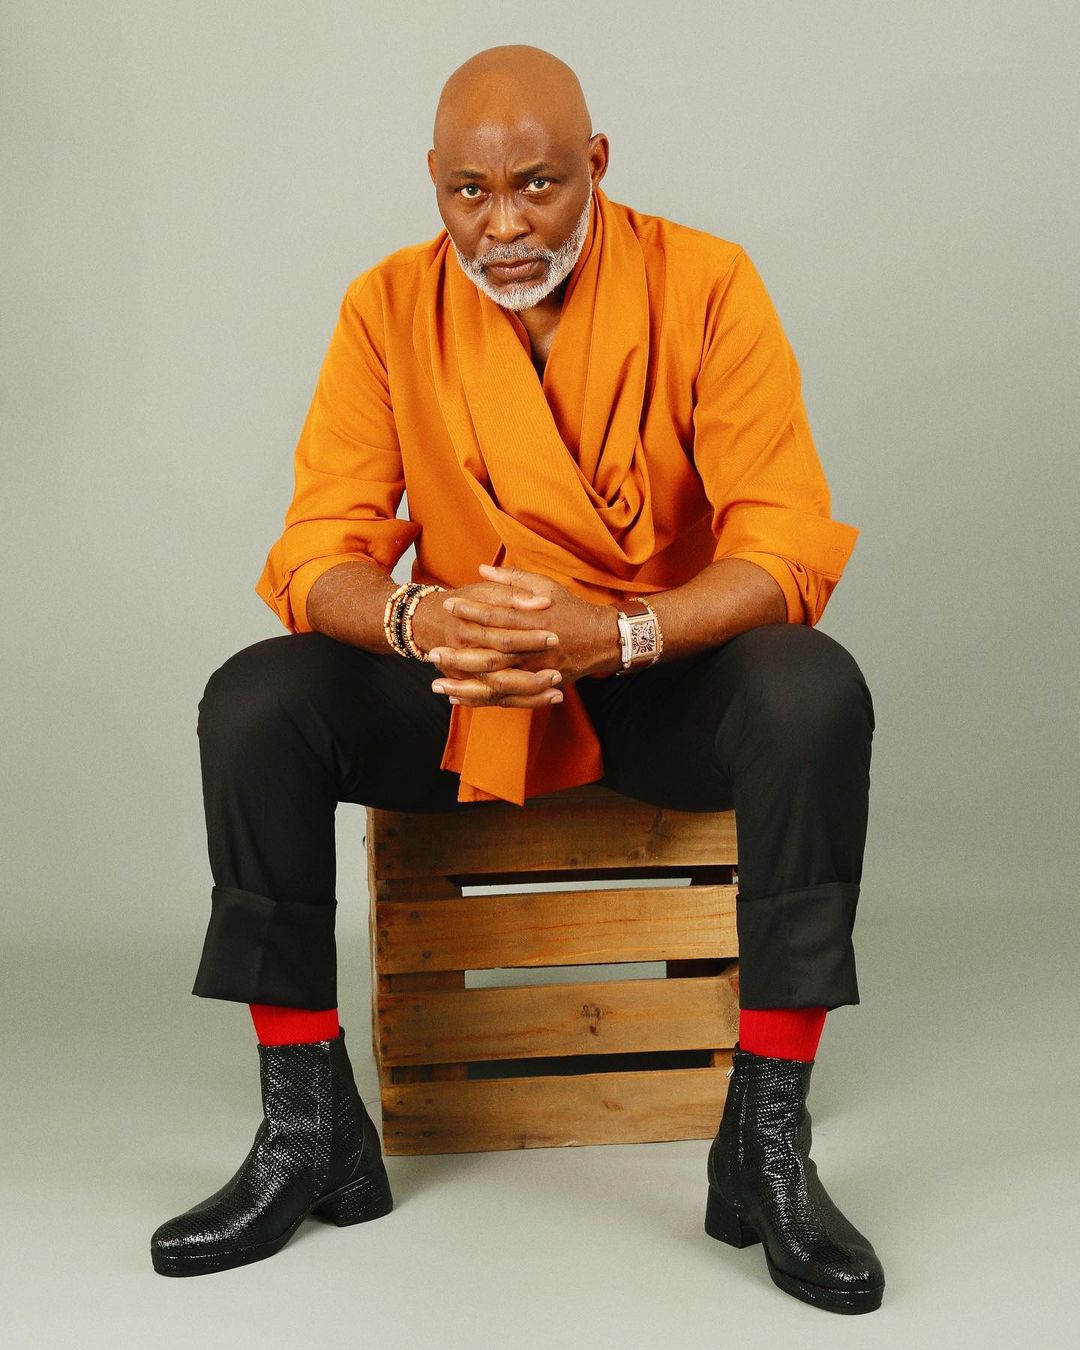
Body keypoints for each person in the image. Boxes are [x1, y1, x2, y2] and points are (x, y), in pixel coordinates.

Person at [150, 44, 884, 1314]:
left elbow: (781, 547)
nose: (503, 228)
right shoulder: (386, 306)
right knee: (256, 700)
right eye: (469, 193)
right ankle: (308, 1125)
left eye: (538, 186)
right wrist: (422, 619)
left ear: (595, 164)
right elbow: (316, 549)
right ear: (433, 184)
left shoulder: (708, 283)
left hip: (655, 677)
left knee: (813, 689)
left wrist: (623, 634)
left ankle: (766, 1138)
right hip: (469, 692)